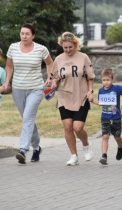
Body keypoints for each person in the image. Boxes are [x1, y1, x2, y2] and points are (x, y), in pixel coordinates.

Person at [4, 23, 54, 164]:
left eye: (27, 34)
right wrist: (7, 82)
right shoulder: (13, 47)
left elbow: (50, 63)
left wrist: (49, 78)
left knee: (27, 118)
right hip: (18, 89)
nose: (24, 36)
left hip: (36, 89)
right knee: (28, 120)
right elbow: (9, 66)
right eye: (22, 33)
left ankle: (23, 150)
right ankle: (37, 147)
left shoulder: (40, 49)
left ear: (33, 35)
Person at [51, 32, 94, 166]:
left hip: (81, 96)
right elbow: (55, 78)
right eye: (65, 48)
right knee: (68, 127)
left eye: (70, 47)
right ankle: (73, 155)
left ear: (75, 45)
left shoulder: (83, 57)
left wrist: (90, 91)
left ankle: (86, 145)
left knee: (78, 127)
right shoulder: (58, 59)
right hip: (64, 97)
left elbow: (90, 77)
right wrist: (51, 85)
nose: (68, 50)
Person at [91, 68, 122, 165]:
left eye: (108, 80)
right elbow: (100, 102)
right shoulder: (101, 90)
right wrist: (92, 100)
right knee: (105, 136)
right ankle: (104, 156)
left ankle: (120, 147)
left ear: (113, 79)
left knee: (117, 137)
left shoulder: (117, 88)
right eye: (104, 80)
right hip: (105, 117)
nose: (106, 82)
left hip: (116, 117)